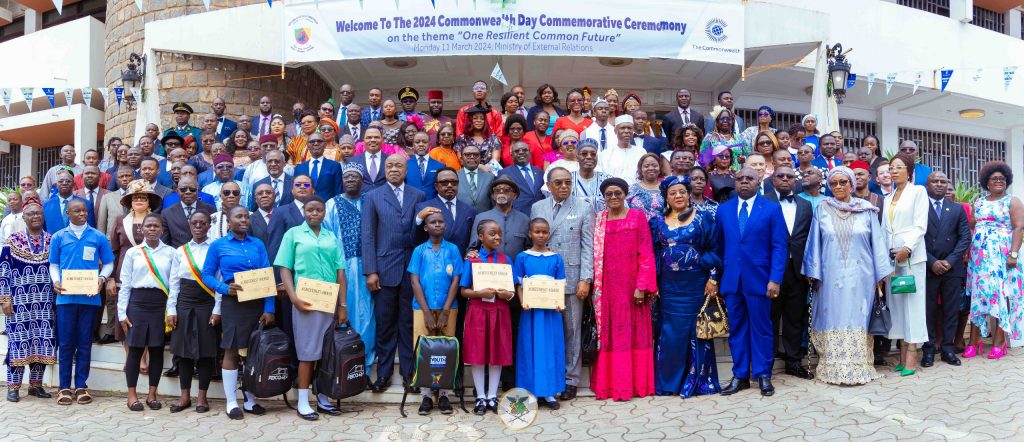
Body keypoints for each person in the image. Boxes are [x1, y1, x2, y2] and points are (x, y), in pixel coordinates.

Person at [802, 166, 891, 385]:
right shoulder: (822, 209)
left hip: (862, 277)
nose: (839, 187)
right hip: (830, 277)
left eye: (844, 182)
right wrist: (812, 272)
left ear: (852, 184)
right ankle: (833, 369)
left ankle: (859, 368)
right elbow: (814, 242)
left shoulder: (867, 210)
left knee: (858, 318)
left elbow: (878, 243)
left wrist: (880, 274)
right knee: (833, 316)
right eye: (834, 183)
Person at [716, 167, 788, 397]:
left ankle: (763, 375)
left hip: (760, 280)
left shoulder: (771, 209)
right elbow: (719, 246)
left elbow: (779, 247)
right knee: (737, 329)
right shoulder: (724, 210)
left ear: (759, 182)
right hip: (732, 280)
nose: (744, 182)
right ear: (735, 183)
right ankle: (740, 376)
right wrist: (716, 278)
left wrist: (775, 279)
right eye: (740, 179)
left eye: (750, 179)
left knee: (762, 328)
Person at [275, 196, 347, 421]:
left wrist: (342, 305)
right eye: (310, 210)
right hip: (304, 302)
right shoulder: (293, 234)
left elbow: (340, 272)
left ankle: (323, 399)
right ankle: (304, 402)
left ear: (324, 213)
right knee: (307, 353)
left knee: (327, 354)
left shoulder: (331, 236)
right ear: (304, 212)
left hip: (328, 302)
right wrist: (294, 297)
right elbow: (285, 268)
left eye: (319, 210)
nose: (314, 213)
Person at [201, 205, 276, 420]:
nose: (244, 220)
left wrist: (269, 308)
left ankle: (250, 400)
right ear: (229, 220)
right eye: (238, 216)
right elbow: (207, 275)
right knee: (232, 351)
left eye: (246, 216)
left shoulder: (258, 244)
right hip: (233, 304)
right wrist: (225, 288)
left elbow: (267, 276)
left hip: (256, 303)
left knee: (255, 352)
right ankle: (232, 402)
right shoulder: (218, 246)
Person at [649, 176, 721, 397]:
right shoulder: (656, 222)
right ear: (667, 198)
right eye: (673, 193)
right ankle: (670, 383)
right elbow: (651, 253)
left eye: (682, 191)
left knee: (696, 332)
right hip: (669, 287)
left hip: (697, 284)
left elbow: (715, 248)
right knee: (670, 333)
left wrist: (714, 277)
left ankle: (696, 381)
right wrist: (653, 282)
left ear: (689, 194)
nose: (678, 196)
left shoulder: (704, 218)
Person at [362, 156, 426, 392]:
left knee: (408, 324)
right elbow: (367, 235)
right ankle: (384, 375)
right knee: (385, 324)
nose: (393, 169)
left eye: (398, 165)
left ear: (406, 170)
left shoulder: (417, 195)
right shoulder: (372, 196)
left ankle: (409, 375)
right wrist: (371, 271)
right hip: (384, 270)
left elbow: (420, 235)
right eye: (389, 166)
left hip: (411, 270)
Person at [589, 177, 657, 401]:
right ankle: (612, 385)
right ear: (604, 197)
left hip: (632, 288)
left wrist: (642, 286)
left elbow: (646, 252)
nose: (613, 197)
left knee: (634, 333)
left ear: (626, 194)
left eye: (618, 193)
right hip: (607, 288)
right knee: (611, 334)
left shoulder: (637, 217)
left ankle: (636, 384)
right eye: (609, 194)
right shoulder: (599, 220)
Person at [530, 167, 594, 400]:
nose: (564, 186)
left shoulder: (584, 206)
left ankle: (571, 379)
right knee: (548, 330)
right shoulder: (538, 207)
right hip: (543, 280)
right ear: (549, 184)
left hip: (572, 278)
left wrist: (585, 279)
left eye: (568, 182)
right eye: (558, 182)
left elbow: (588, 245)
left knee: (572, 329)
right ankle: (550, 376)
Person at [49, 198, 115, 406]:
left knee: (84, 342)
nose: (81, 214)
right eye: (76, 211)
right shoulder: (59, 237)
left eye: (84, 211)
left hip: (90, 298)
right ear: (67, 213)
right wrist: (56, 281)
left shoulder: (98, 237)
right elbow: (54, 264)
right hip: (65, 298)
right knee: (66, 342)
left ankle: (81, 386)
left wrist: (102, 279)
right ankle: (64, 387)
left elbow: (109, 263)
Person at [760, 166, 814, 380]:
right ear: (772, 179)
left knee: (795, 318)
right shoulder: (762, 202)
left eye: (789, 177)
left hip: (797, 270)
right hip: (771, 270)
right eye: (780, 176)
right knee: (769, 318)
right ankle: (766, 365)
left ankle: (793, 362)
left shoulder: (805, 205)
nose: (785, 179)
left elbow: (810, 239)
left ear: (796, 181)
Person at [966, 161, 1024, 357]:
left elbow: (1019, 228)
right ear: (986, 182)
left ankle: (1000, 342)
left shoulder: (1012, 201)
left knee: (1000, 295)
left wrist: (1013, 254)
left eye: (1002, 178)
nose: (999, 181)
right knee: (978, 296)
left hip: (1003, 257)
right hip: (980, 257)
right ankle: (975, 341)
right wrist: (974, 247)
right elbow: (973, 225)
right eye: (994, 179)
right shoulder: (979, 202)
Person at [460, 220, 518, 414]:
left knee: (497, 354)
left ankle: (492, 396)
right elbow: (464, 291)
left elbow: (512, 292)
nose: (497, 237)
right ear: (481, 237)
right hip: (478, 311)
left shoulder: (505, 260)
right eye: (492, 234)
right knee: (478, 354)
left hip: (500, 311)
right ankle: (480, 397)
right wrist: (479, 293)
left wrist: (505, 295)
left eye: (499, 234)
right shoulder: (472, 260)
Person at [407, 211, 462, 416]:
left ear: (445, 226)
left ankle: (445, 394)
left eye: (440, 222)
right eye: (433, 222)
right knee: (425, 350)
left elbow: (456, 280)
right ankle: (427, 395)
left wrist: (446, 311)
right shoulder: (419, 251)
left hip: (449, 307)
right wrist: (427, 312)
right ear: (425, 227)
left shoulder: (453, 249)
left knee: (446, 349)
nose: (437, 225)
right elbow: (414, 281)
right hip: (423, 308)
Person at [116, 213, 173, 411]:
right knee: (135, 349)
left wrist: (171, 310)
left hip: (160, 303)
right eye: (148, 226)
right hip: (137, 303)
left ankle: (152, 394)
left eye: (156, 226)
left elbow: (174, 285)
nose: (152, 229)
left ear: (162, 230)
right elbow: (125, 285)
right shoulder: (133, 253)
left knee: (157, 350)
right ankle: (132, 395)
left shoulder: (171, 253)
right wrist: (122, 313)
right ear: (142, 229)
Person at [1, 199, 55, 402]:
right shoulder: (12, 241)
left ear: (43, 217)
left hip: (45, 303)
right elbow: (4, 271)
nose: (35, 217)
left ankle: (36, 385)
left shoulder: (52, 240)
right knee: (18, 343)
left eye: (38, 213)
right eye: (31, 214)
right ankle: (13, 387)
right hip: (18, 303)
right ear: (23, 217)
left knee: (41, 341)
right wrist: (5, 299)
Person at [324, 166, 377, 374]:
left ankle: (364, 368)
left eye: (355, 176)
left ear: (362, 181)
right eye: (347, 177)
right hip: (341, 267)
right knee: (344, 314)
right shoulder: (331, 204)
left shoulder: (370, 202)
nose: (350, 180)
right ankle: (342, 366)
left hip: (368, 267)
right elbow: (327, 237)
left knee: (368, 318)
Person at [512, 218, 567, 410]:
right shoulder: (522, 257)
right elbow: (518, 284)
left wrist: (560, 304)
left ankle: (550, 392)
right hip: (531, 311)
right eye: (537, 232)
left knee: (550, 348)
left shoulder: (556, 258)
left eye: (544, 232)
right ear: (530, 233)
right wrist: (523, 301)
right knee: (531, 348)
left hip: (551, 312)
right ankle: (531, 392)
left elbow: (560, 284)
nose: (541, 235)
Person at [883, 153, 930, 376]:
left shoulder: (918, 192)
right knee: (898, 306)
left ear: (909, 171)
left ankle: (913, 353)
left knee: (913, 305)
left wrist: (907, 248)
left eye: (899, 167)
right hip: (893, 259)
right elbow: (885, 230)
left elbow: (920, 226)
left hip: (911, 257)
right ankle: (902, 353)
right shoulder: (887, 196)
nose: (893, 171)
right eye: (891, 167)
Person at [166, 211, 218, 413]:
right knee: (184, 353)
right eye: (194, 223)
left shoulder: (215, 249)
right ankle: (185, 397)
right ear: (189, 225)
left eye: (202, 223)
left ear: (208, 226)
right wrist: (172, 308)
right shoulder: (180, 251)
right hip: (184, 302)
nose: (198, 226)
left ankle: (202, 398)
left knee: (205, 352)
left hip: (207, 302)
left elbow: (219, 279)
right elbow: (173, 282)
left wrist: (217, 309)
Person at [922, 171, 970, 367]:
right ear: (927, 185)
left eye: (943, 181)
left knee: (951, 311)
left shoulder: (956, 209)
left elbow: (965, 237)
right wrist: (932, 261)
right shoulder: (919, 207)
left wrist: (949, 261)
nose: (940, 185)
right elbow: (915, 237)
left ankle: (948, 350)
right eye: (935, 181)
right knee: (929, 311)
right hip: (927, 266)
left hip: (952, 268)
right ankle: (928, 350)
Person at [599, 115, 648, 186]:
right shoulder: (606, 154)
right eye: (622, 128)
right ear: (615, 131)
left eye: (629, 128)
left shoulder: (641, 152)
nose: (626, 131)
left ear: (633, 131)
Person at [294, 132, 343, 201]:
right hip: (304, 208)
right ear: (307, 145)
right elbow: (295, 191)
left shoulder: (335, 166)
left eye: (319, 141)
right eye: (312, 141)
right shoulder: (299, 168)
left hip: (327, 208)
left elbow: (338, 191)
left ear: (325, 144)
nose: (316, 143)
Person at [498, 141, 544, 215]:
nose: (521, 152)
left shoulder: (540, 172)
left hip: (540, 214)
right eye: (517, 151)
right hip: (517, 215)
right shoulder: (504, 173)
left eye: (525, 150)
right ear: (512, 155)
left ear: (530, 153)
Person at [44, 170, 95, 235]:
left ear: (74, 184)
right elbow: (44, 231)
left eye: (68, 181)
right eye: (60, 181)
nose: (64, 183)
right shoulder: (46, 206)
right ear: (56, 184)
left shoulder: (86, 204)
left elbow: (91, 230)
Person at [698, 106, 749, 171]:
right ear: (717, 121)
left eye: (728, 119)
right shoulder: (709, 138)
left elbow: (748, 155)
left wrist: (743, 159)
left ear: (732, 122)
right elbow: (702, 158)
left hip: (736, 176)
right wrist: (710, 172)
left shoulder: (740, 138)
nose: (725, 121)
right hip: (715, 175)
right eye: (722, 119)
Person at [455, 105, 503, 174]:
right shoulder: (462, 139)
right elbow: (461, 161)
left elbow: (496, 159)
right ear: (470, 121)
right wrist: (480, 166)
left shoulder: (493, 138)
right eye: (475, 118)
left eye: (482, 118)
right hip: (469, 173)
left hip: (490, 173)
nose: (479, 121)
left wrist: (485, 170)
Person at [627, 153, 667, 220]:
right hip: (637, 227)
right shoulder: (632, 189)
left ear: (660, 168)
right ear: (641, 169)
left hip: (660, 228)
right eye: (646, 166)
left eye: (654, 165)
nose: (651, 168)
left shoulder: (667, 188)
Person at [456, 145, 494, 214]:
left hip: (484, 221)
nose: (472, 157)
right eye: (468, 155)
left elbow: (494, 203)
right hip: (462, 220)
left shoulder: (490, 177)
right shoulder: (454, 177)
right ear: (461, 159)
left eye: (476, 154)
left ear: (480, 158)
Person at [351, 126, 390, 194]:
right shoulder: (352, 161)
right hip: (361, 202)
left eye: (376, 137)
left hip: (385, 201)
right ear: (363, 140)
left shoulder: (390, 160)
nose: (373, 140)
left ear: (382, 140)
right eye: (369, 137)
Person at [407, 132, 444, 199]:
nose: (421, 144)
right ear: (413, 145)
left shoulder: (440, 166)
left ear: (429, 144)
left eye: (424, 142)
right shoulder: (405, 165)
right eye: (417, 142)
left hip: (433, 206)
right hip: (411, 206)